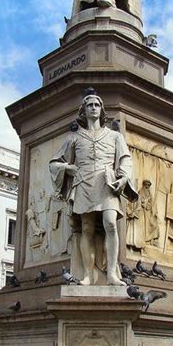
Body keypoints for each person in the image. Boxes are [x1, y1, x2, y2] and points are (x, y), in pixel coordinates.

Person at [50, 89, 138, 285]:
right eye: (89, 105)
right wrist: (68, 168)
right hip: (83, 182)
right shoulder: (73, 138)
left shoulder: (115, 136)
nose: (94, 108)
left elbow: (125, 159)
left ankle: (112, 274)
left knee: (110, 223)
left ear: (102, 110)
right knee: (87, 227)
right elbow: (54, 163)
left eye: (97, 105)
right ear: (83, 111)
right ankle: (88, 274)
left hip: (107, 182)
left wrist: (123, 178)